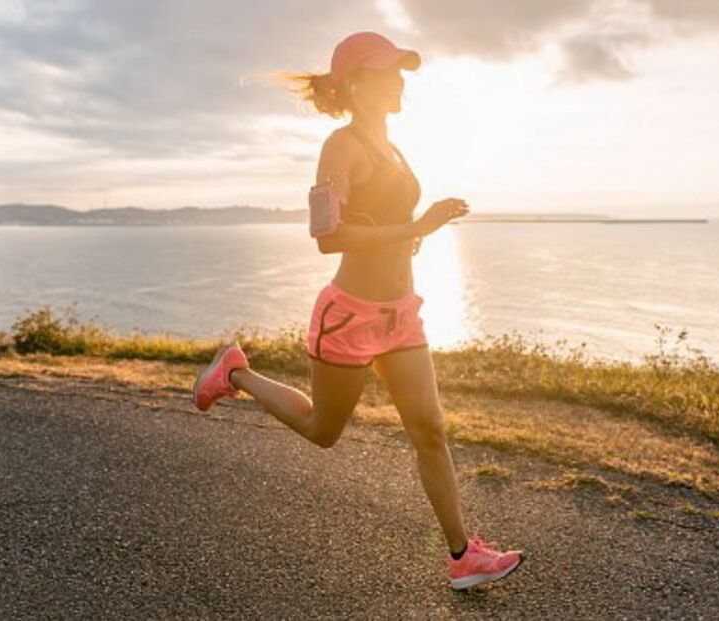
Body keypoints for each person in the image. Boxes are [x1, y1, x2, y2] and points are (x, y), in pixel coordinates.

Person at [193, 31, 524, 590]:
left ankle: (462, 555)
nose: (399, 82)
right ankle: (236, 372)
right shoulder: (341, 146)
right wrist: (418, 227)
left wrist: (414, 236)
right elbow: (327, 235)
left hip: (401, 314)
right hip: (349, 316)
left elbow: (381, 221)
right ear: (354, 83)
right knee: (324, 430)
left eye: (400, 72)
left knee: (430, 430)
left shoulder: (393, 145)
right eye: (387, 72)